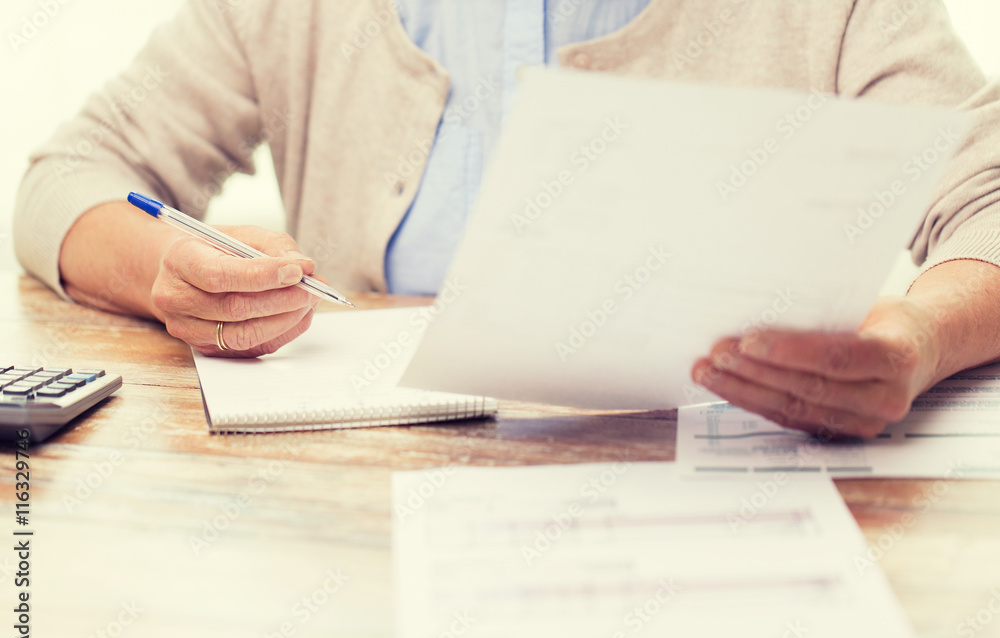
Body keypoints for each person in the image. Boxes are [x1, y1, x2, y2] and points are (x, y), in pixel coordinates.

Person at [13, 0, 1000, 438]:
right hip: (358, 518)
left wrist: (921, 335)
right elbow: (70, 178)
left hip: (729, 506)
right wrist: (166, 268)